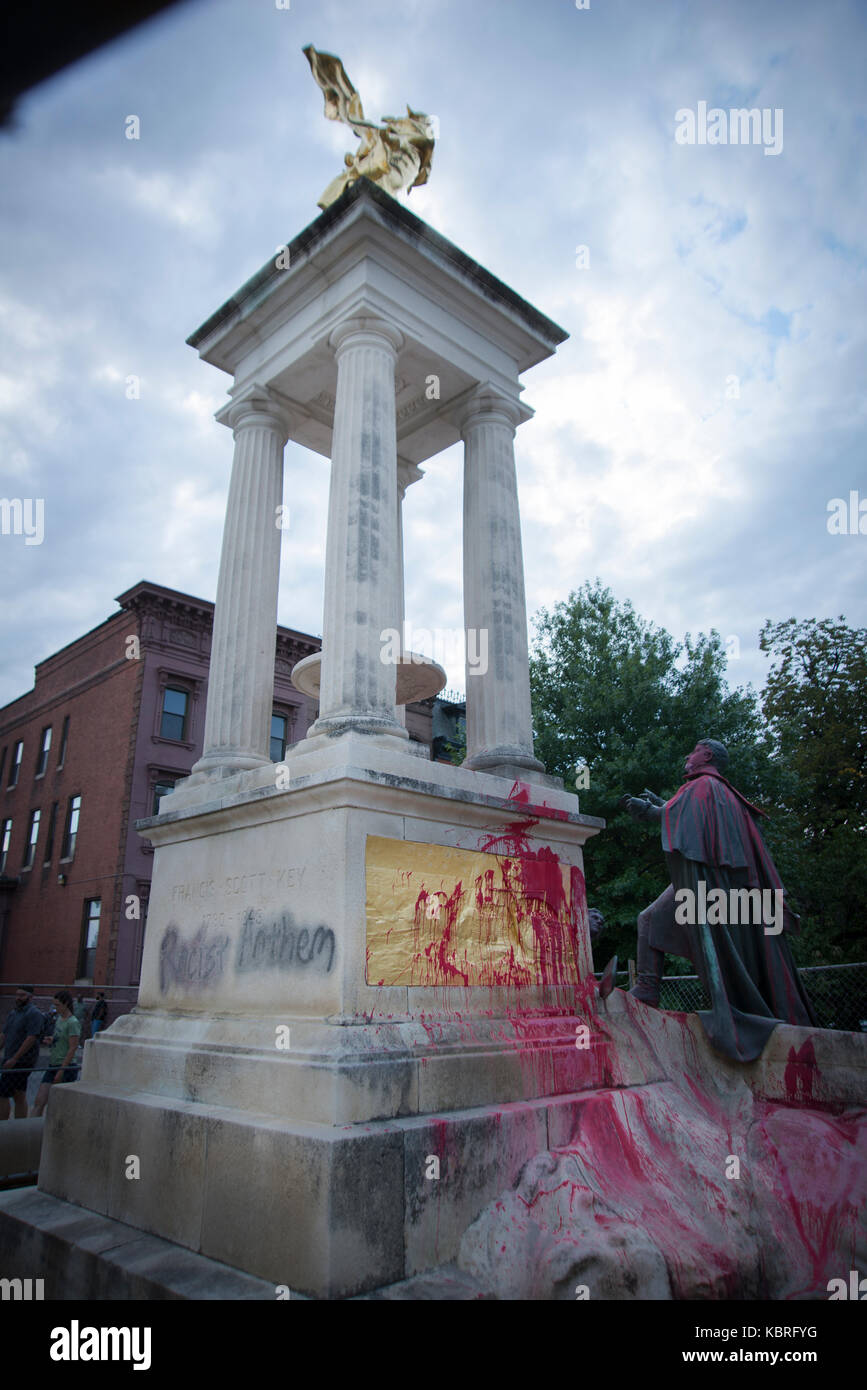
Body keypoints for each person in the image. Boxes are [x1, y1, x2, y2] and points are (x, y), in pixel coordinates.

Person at [622, 738, 817, 1063]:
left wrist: (652, 811)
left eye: (694, 750)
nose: (688, 754)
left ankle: (648, 988)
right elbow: (688, 817)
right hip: (717, 884)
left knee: (650, 919)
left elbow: (683, 818)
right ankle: (647, 987)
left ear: (707, 754)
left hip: (709, 885)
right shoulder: (721, 792)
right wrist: (663, 807)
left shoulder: (705, 786)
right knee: (650, 919)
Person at [31, 990, 80, 1117]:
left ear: (66, 1004)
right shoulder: (59, 1019)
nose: (55, 1008)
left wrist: (61, 1070)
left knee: (58, 1103)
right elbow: (61, 1037)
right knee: (40, 1100)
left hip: (66, 1066)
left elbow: (72, 1047)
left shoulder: (72, 1022)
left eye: (58, 1005)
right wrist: (52, 1039)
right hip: (53, 1063)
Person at [0, 986, 44, 1119]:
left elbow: (31, 1038)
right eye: (17, 995)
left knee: (2, 1093)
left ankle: (3, 1124)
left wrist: (15, 1058)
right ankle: (20, 1123)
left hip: (22, 1061)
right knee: (18, 1094)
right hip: (9, 1057)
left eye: (22, 995)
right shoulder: (14, 1013)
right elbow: (4, 1035)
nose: (18, 998)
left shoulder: (34, 1013)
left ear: (30, 997)